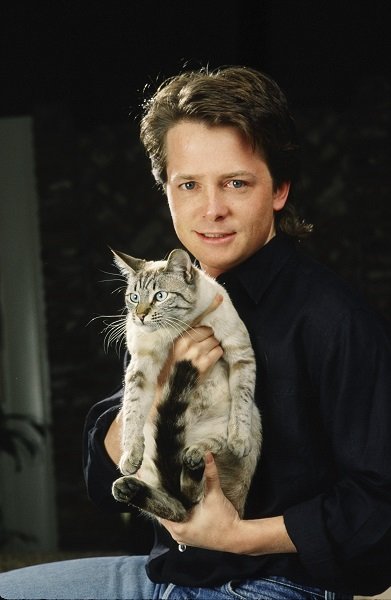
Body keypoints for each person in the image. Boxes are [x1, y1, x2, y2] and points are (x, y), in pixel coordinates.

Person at [1, 66, 390, 600]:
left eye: (236, 182)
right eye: (188, 185)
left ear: (278, 189)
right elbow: (107, 482)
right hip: (171, 574)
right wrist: (161, 386)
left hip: (275, 585)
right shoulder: (167, 301)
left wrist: (238, 538)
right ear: (167, 193)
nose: (211, 210)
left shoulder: (334, 319)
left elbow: (379, 504)